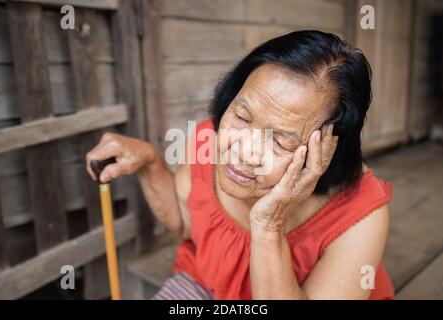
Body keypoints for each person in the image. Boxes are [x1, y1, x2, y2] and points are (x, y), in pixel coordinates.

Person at [86, 30, 394, 300]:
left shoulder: (360, 213)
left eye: (281, 141)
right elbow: (183, 222)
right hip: (205, 287)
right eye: (243, 117)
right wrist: (150, 163)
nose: (243, 152)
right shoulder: (209, 138)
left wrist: (269, 226)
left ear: (327, 149)